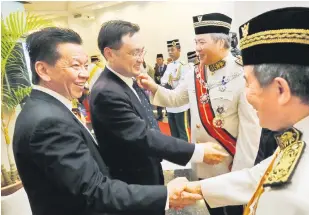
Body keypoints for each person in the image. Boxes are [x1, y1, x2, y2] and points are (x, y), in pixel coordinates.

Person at [184, 7, 309, 215]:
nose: (247, 95)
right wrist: (197, 188)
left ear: (281, 90)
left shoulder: (287, 197)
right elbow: (263, 174)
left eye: (248, 83)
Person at [12, 27, 203, 215]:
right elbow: (93, 191)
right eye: (75, 66)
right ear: (43, 70)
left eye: (85, 65)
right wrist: (166, 194)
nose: (85, 74)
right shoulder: (47, 122)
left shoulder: (48, 109)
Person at [89, 20, 228, 215]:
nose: (140, 59)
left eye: (142, 51)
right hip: (133, 184)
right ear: (109, 53)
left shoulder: (126, 80)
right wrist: (197, 151)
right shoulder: (107, 92)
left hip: (147, 174)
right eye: (134, 53)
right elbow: (142, 135)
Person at [139, 12, 261, 215]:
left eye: (201, 42)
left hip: (230, 167)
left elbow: (251, 132)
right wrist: (153, 87)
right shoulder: (195, 72)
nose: (197, 48)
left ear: (221, 43)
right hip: (204, 165)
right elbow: (176, 99)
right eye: (196, 42)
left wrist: (239, 175)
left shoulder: (241, 74)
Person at [160, 39, 191, 141]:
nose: (170, 52)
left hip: (180, 104)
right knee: (173, 131)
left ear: (179, 50)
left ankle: (186, 154)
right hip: (170, 104)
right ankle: (177, 153)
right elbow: (163, 80)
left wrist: (171, 90)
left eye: (172, 50)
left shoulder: (184, 65)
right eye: (168, 50)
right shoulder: (169, 66)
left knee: (182, 131)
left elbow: (183, 84)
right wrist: (165, 86)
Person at [154, 54, 167, 120]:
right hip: (159, 86)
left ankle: (168, 113)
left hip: (166, 87)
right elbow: (155, 76)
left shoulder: (166, 67)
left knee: (167, 100)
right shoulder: (156, 68)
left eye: (160, 59)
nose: (158, 61)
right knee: (159, 101)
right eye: (157, 59)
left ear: (163, 60)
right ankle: (160, 115)